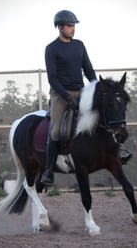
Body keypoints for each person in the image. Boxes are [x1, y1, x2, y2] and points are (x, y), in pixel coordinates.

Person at [41, 10, 131, 187]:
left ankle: (116, 154)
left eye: (74, 25)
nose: (72, 29)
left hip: (81, 91)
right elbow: (52, 79)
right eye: (69, 26)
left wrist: (97, 88)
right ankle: (48, 171)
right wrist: (67, 96)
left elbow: (88, 70)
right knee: (57, 130)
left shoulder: (79, 45)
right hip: (60, 94)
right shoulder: (51, 49)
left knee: (102, 117)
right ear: (59, 27)